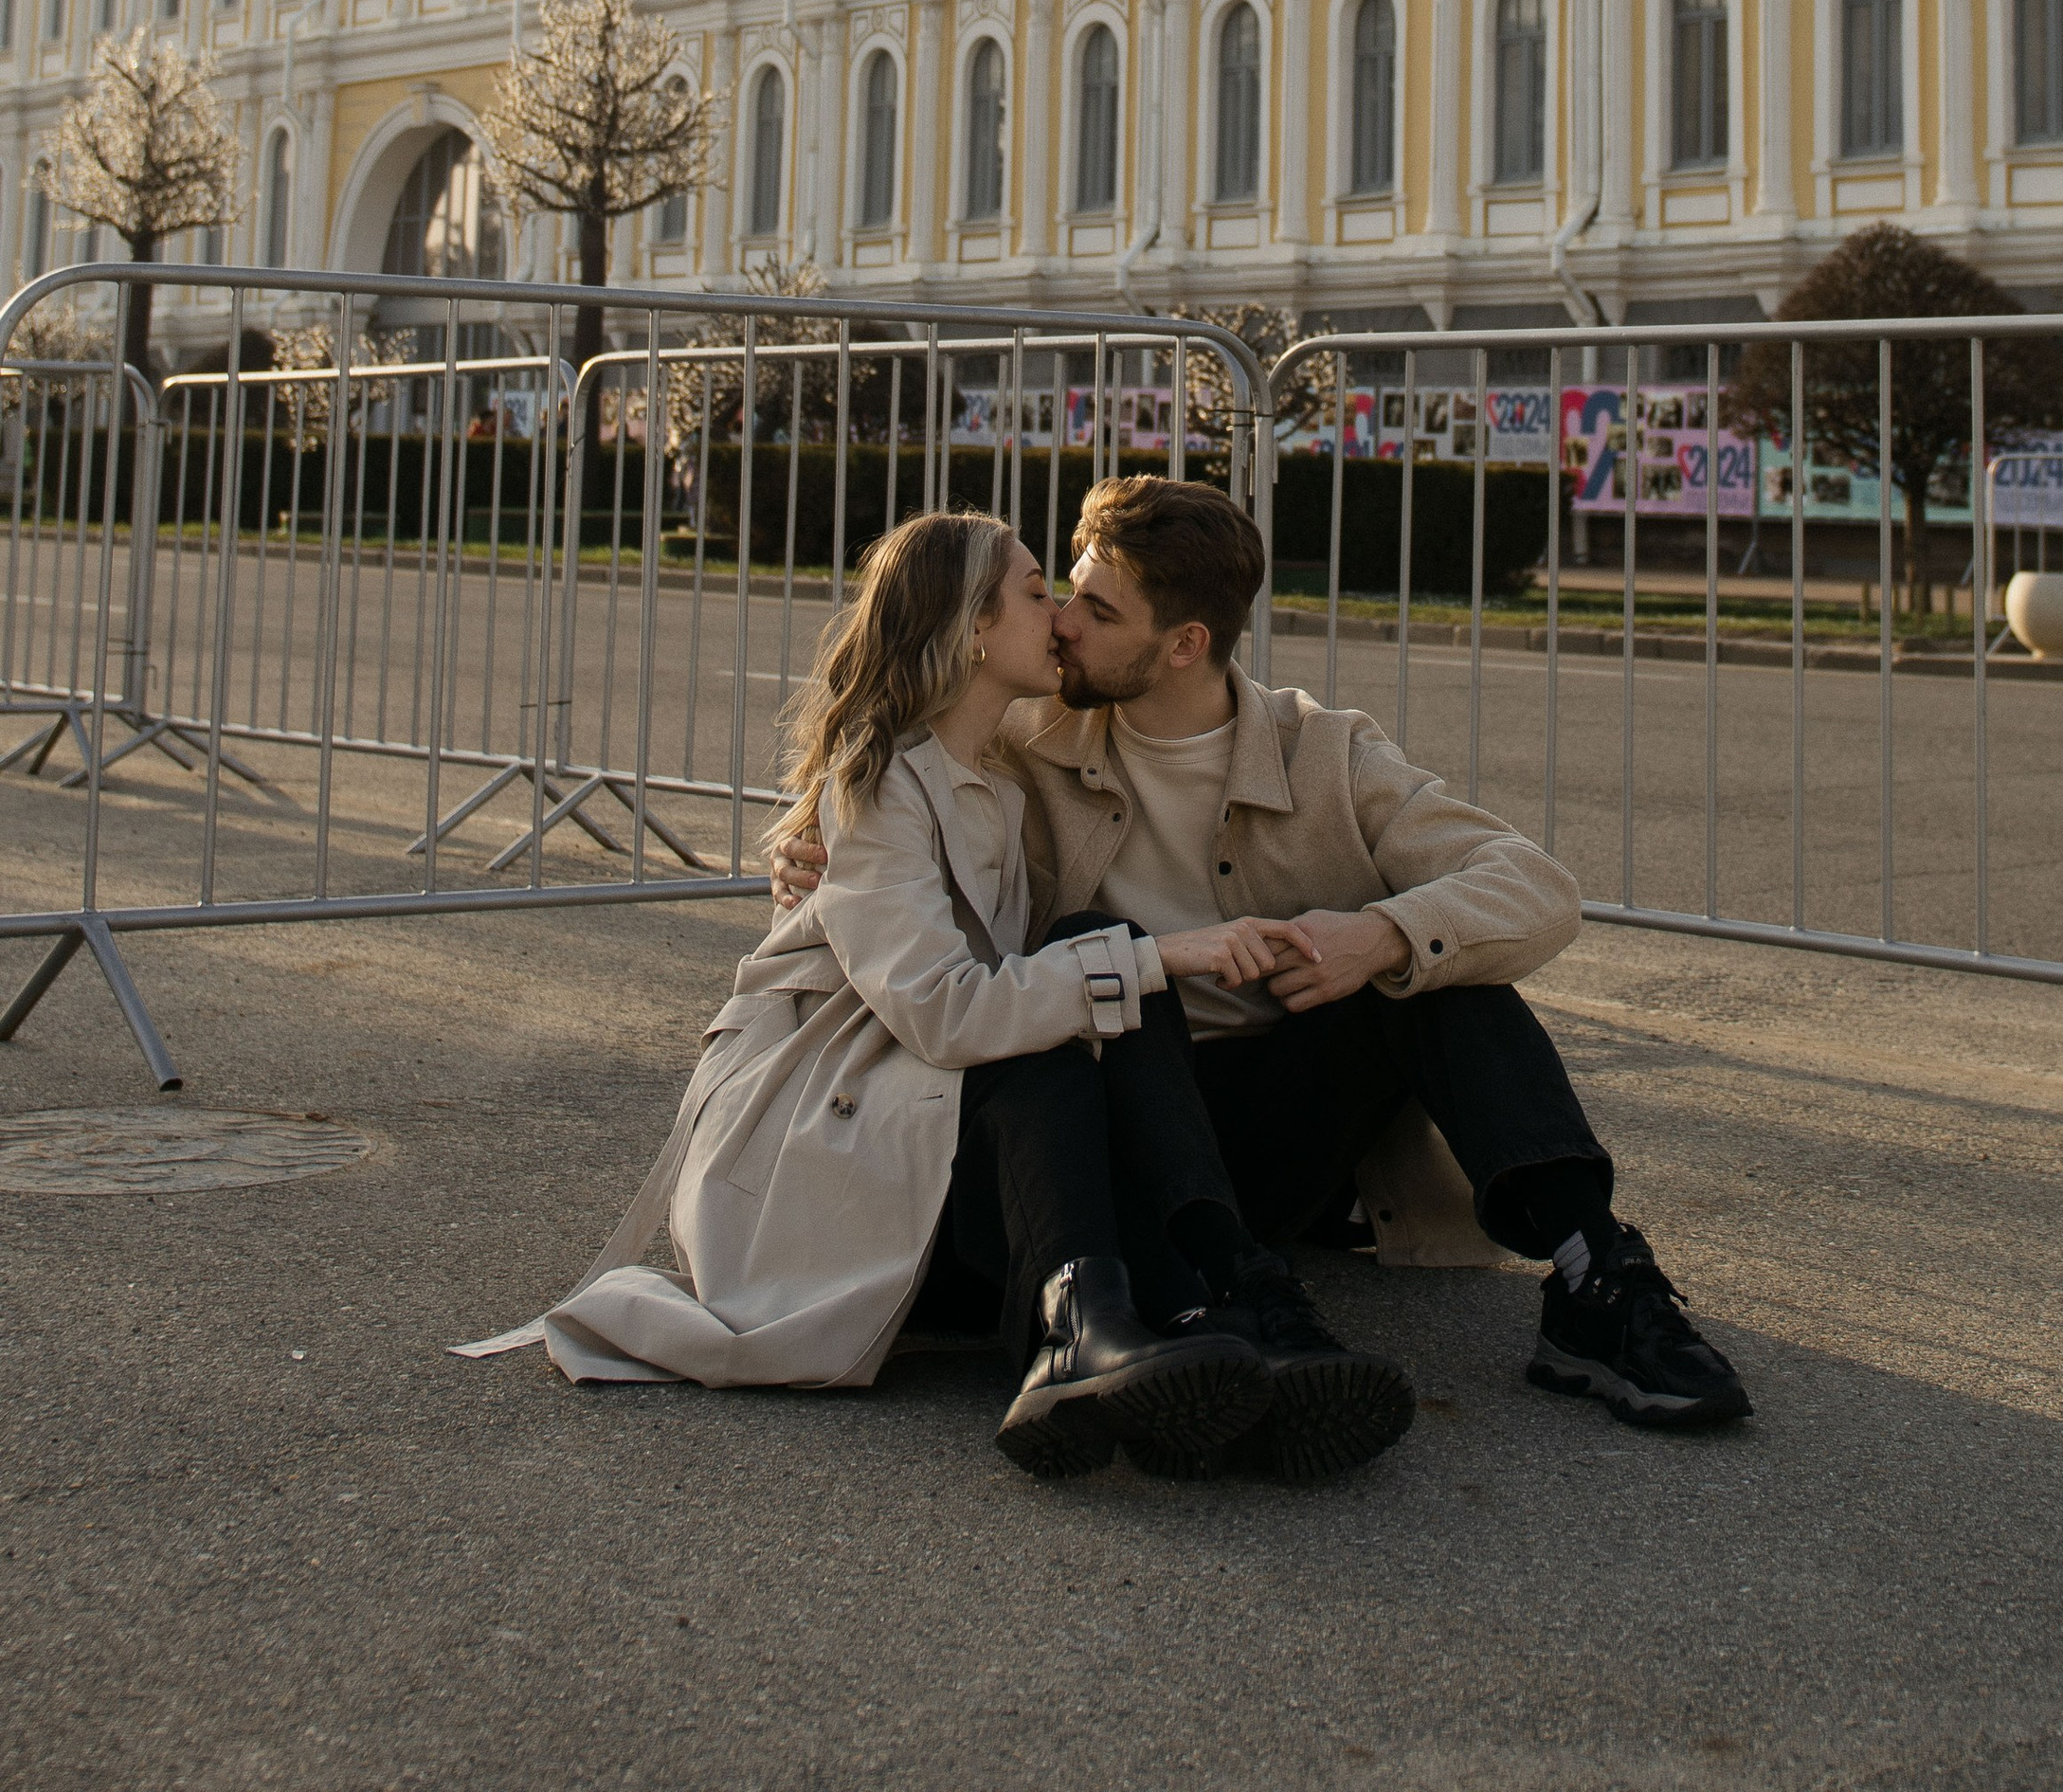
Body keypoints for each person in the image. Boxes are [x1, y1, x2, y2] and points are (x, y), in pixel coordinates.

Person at [776, 474, 1748, 1439]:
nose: (1064, 622)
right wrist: (805, 849)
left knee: (1436, 965)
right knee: (1097, 952)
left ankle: (1595, 1278)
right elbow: (890, 790)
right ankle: (1242, 1291)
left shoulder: (1324, 753)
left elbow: (1536, 886)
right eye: (1062, 591)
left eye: (1097, 608)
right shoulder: (1025, 732)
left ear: (1183, 645)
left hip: (1276, 1124)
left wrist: (1378, 935)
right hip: (1110, 1127)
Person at [462, 507, 1411, 1480]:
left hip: (922, 1143)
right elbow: (945, 1011)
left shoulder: (999, 779)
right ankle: (1108, 1327)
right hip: (824, 1176)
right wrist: (1171, 956)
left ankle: (1214, 1314)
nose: (1060, 622)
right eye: (1039, 595)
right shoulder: (879, 784)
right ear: (972, 633)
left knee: (1089, 976)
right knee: (1071, 1011)